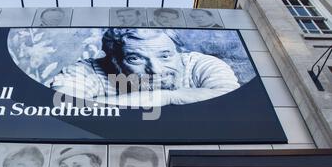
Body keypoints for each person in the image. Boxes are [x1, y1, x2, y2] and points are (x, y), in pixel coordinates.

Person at [51, 28, 239, 107]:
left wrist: (169, 96)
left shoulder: (198, 64)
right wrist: (174, 97)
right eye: (136, 59)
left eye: (165, 56)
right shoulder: (89, 70)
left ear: (178, 52)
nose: (156, 70)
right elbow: (66, 105)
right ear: (114, 62)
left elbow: (232, 97)